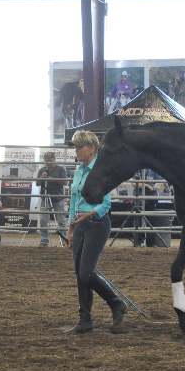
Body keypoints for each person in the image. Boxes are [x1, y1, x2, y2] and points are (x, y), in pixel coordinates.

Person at [64, 130, 127, 334]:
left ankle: (116, 303)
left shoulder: (100, 170)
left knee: (86, 273)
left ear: (92, 148)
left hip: (97, 223)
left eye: (80, 147)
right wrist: (71, 229)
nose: (77, 150)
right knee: (80, 274)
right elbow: (74, 201)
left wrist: (89, 214)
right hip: (81, 225)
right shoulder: (80, 170)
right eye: (76, 147)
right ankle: (85, 320)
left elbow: (106, 204)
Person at [37, 151, 69, 247]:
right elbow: (37, 183)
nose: (48, 162)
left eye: (50, 160)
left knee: (61, 221)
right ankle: (44, 241)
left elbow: (65, 182)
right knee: (43, 221)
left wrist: (53, 179)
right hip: (45, 198)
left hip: (58, 198)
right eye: (46, 160)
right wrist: (42, 178)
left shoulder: (60, 169)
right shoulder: (42, 170)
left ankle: (64, 241)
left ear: (54, 159)